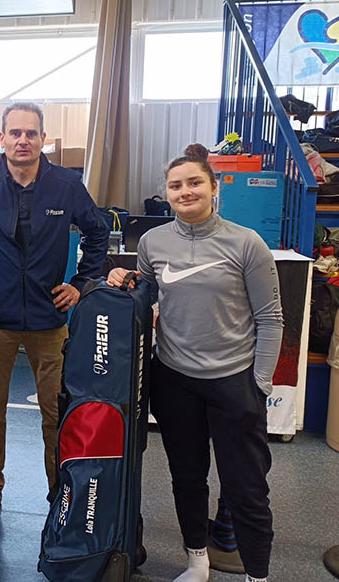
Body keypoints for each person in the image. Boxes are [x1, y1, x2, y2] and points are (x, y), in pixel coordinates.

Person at [107, 143, 283, 582]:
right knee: (187, 478)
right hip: (175, 382)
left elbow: (271, 318)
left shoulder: (246, 243)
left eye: (194, 183)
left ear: (213, 187)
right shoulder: (152, 242)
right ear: (166, 193)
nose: (185, 192)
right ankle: (197, 560)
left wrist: (258, 383)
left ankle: (257, 575)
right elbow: (146, 294)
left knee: (247, 489)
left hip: (234, 383)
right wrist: (123, 279)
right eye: (175, 185)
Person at [0, 101, 109, 527]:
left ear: (43, 139)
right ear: (0, 139)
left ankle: (59, 489)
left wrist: (81, 282)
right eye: (15, 133)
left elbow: (98, 231)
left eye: (31, 133)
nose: (23, 140)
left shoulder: (66, 185)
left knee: (56, 411)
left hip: (49, 320)